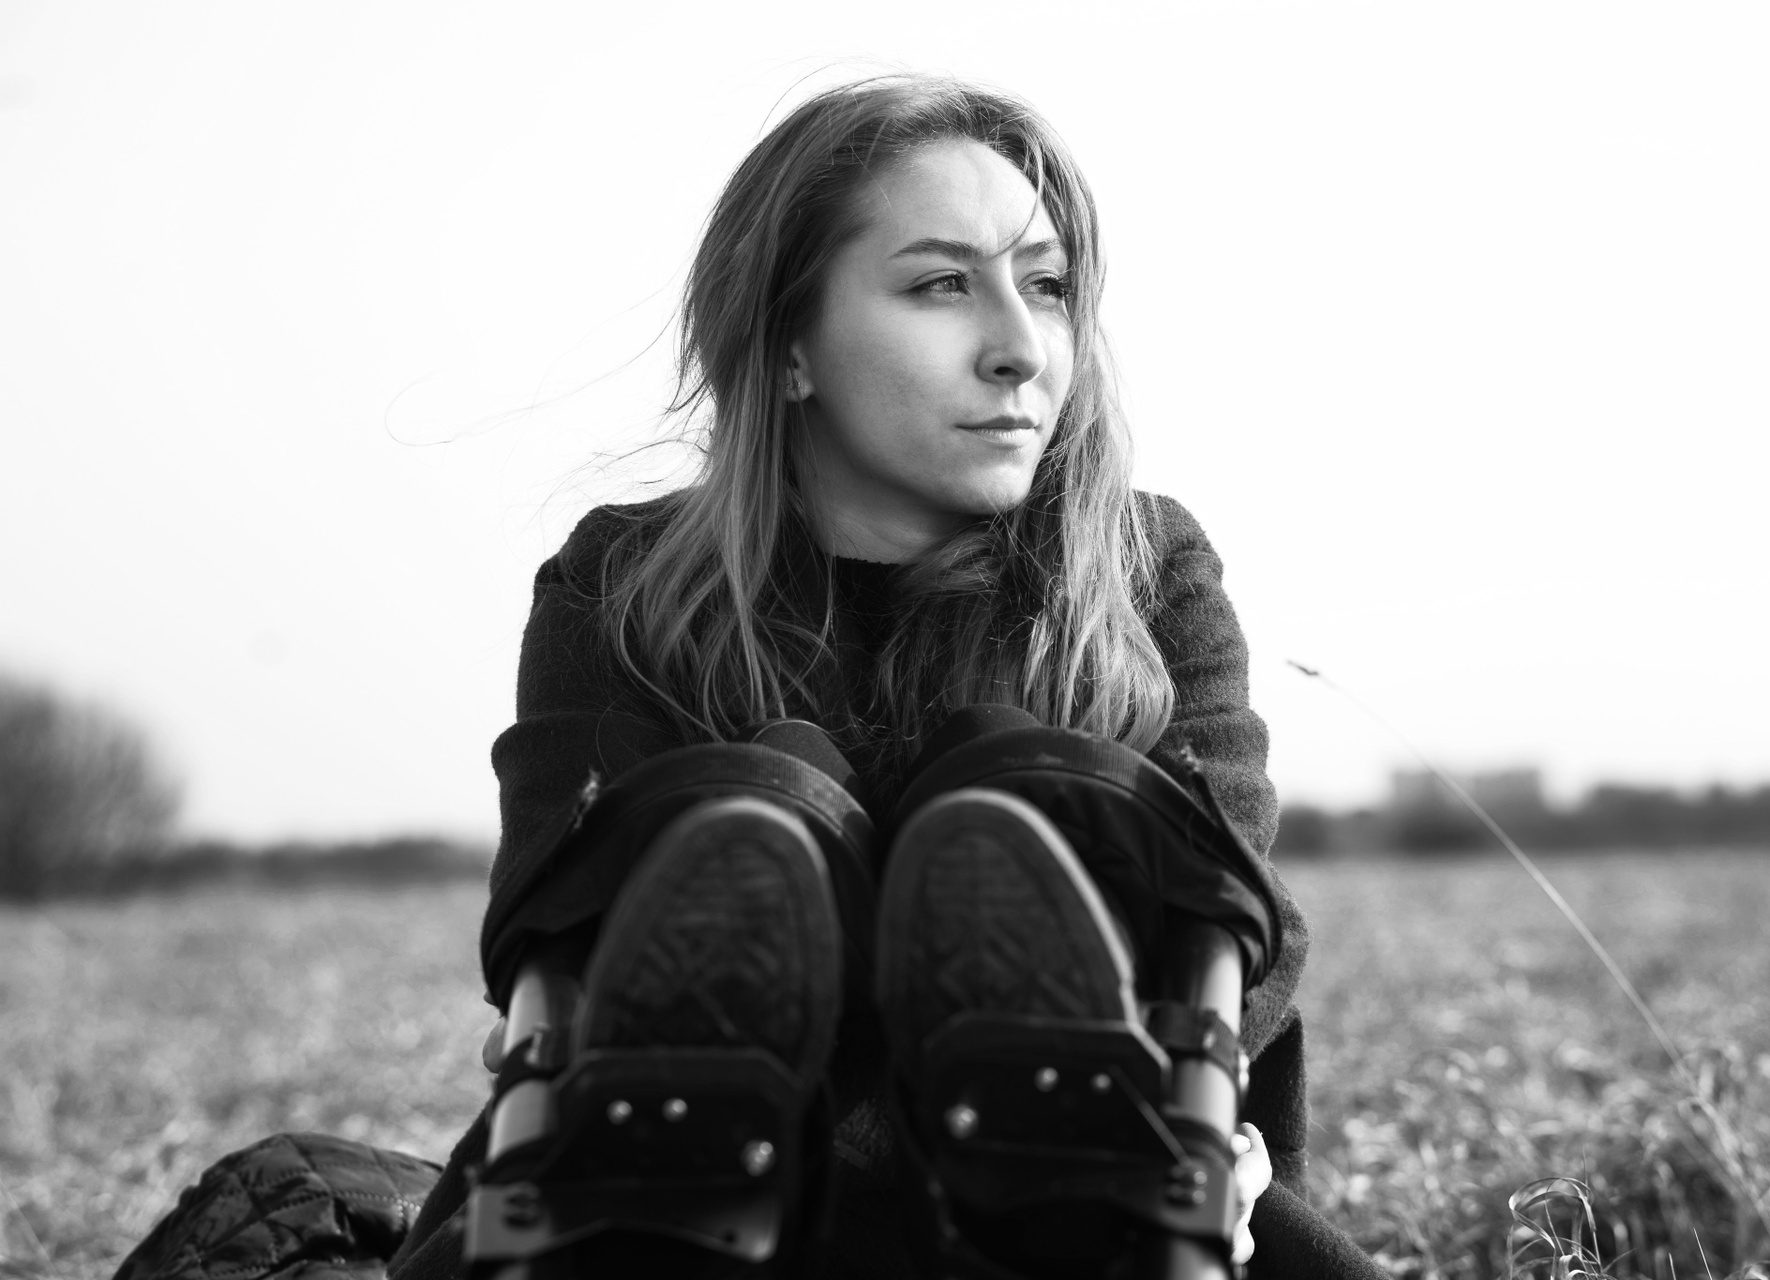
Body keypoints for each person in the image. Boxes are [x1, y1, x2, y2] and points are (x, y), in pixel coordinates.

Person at [115, 74, 1383, 1280]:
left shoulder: (1144, 564)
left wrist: (1193, 1106)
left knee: (1040, 794)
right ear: (788, 346)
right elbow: (551, 926)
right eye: (942, 285)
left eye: (1047, 287)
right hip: (685, 1189)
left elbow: (1236, 917)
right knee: (746, 814)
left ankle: (1060, 1139)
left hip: (1115, 1172)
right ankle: (676, 1152)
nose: (1019, 347)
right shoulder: (620, 582)